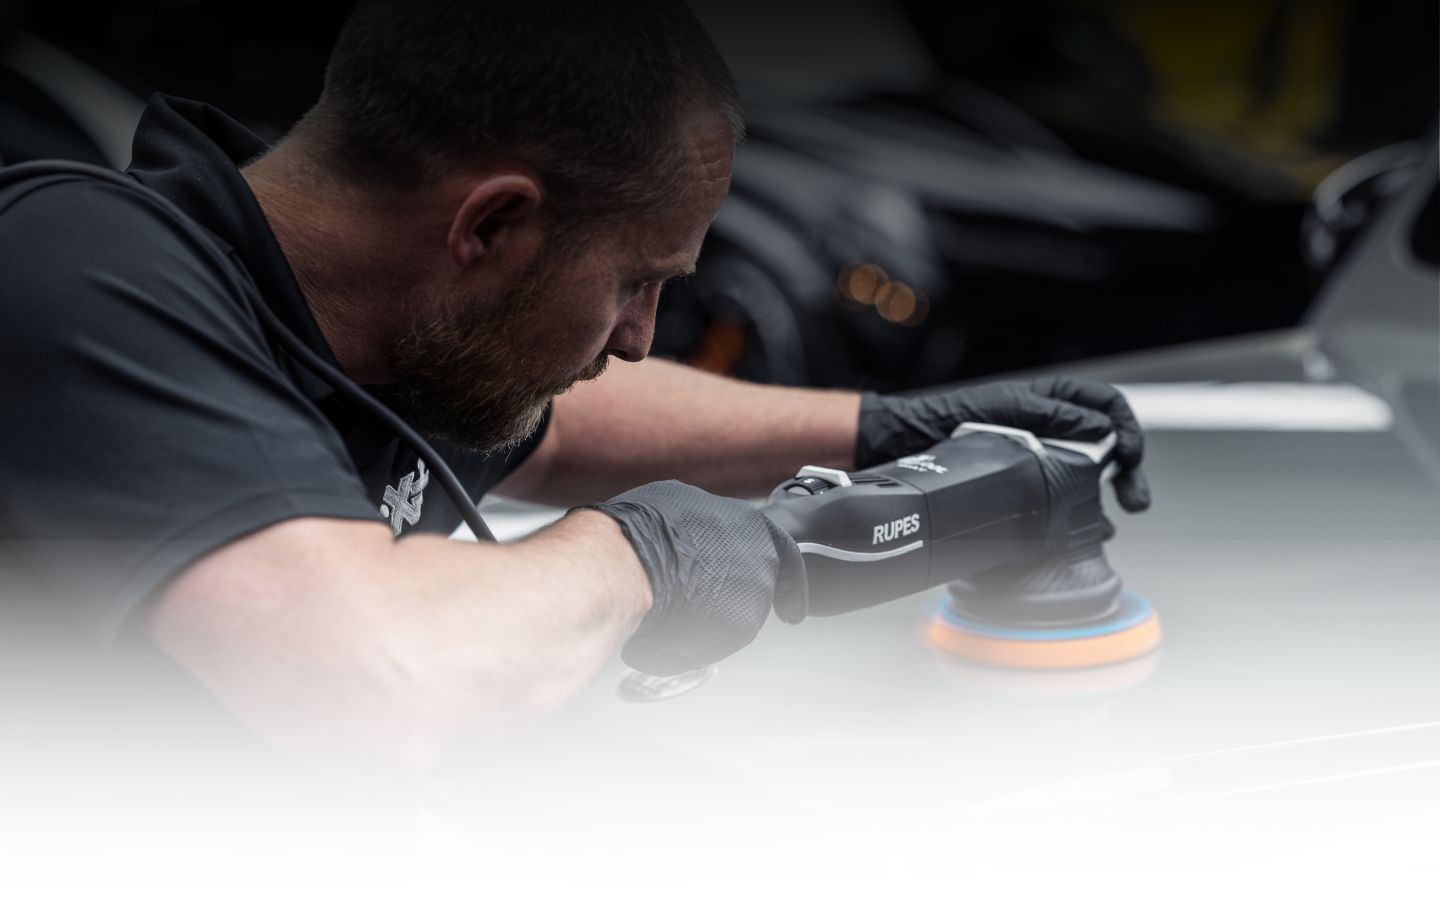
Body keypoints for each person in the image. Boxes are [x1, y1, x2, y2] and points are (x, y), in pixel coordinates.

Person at [0, 0, 1149, 770]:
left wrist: (877, 431)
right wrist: (642, 552)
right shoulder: (74, 268)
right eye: (636, 283)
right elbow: (376, 682)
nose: (645, 337)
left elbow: (542, 420)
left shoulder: (360, 330)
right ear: (491, 224)